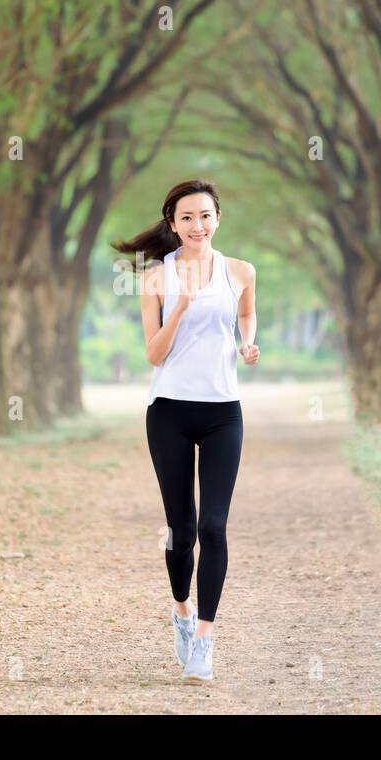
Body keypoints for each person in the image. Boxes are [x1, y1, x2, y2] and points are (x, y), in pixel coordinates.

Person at [110, 179, 260, 683]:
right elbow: (153, 354)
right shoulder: (156, 278)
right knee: (183, 530)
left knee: (215, 526)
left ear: (218, 218)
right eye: (187, 218)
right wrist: (180, 305)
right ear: (172, 224)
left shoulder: (241, 271)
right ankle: (181, 611)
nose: (197, 225)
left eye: (205, 215)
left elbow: (246, 313)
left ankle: (204, 641)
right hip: (169, 411)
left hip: (223, 413)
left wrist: (247, 343)